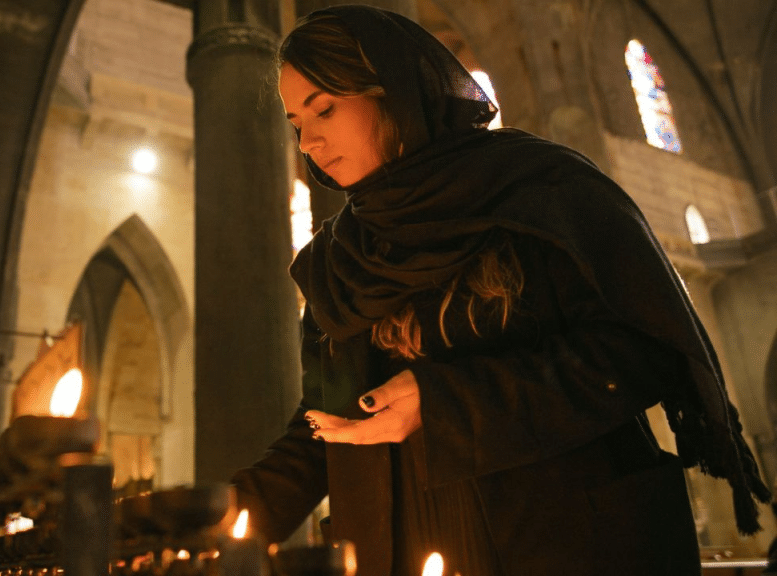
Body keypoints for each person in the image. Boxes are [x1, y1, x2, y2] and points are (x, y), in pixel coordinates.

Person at [229, 5, 772, 576]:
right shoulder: (337, 263)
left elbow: (642, 349)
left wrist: (449, 403)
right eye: (295, 123)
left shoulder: (538, 191)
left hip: (568, 543)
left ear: (394, 93)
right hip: (404, 547)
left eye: (326, 109)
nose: (308, 141)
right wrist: (207, 516)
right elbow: (326, 425)